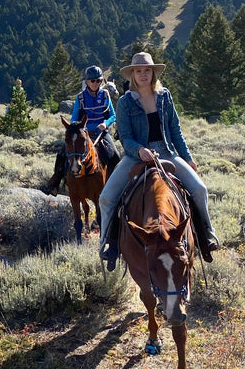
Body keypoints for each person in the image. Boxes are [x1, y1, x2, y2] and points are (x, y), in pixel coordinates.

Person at [98, 52, 220, 268]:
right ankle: (110, 243)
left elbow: (175, 131)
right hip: (136, 156)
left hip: (166, 152)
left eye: (147, 70)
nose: (143, 74)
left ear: (153, 72)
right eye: (138, 71)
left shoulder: (164, 96)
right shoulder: (125, 102)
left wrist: (188, 158)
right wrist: (140, 150)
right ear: (132, 75)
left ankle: (206, 237)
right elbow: (125, 137)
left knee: (199, 190)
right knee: (107, 198)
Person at [42, 65, 120, 195]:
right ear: (87, 82)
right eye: (92, 81)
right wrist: (78, 129)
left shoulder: (105, 95)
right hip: (83, 133)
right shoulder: (81, 97)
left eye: (98, 81)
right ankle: (54, 183)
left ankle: (114, 187)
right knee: (62, 153)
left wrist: (105, 124)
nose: (95, 83)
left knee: (115, 156)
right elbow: (74, 118)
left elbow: (113, 115)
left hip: (101, 133)